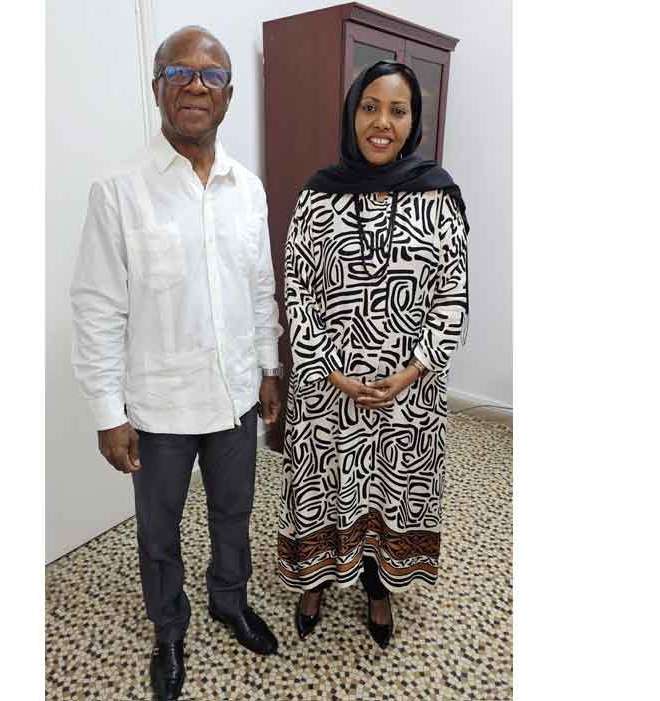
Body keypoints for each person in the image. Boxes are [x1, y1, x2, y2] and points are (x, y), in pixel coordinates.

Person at [71, 26, 284, 701]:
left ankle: (230, 599)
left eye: (211, 74)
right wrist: (108, 413)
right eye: (179, 71)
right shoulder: (119, 191)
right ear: (157, 85)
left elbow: (260, 287)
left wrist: (269, 367)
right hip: (159, 405)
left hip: (234, 395)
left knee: (234, 512)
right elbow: (97, 308)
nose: (196, 84)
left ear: (228, 94)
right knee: (159, 531)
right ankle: (168, 627)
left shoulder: (248, 189)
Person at [276, 60, 470, 649]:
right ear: (352, 114)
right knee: (324, 486)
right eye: (370, 107)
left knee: (390, 490)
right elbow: (298, 289)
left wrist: (411, 371)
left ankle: (378, 586)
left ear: (413, 122)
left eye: (397, 111)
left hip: (407, 398)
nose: (382, 122)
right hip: (327, 393)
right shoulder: (317, 195)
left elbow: (452, 295)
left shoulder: (438, 195)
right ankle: (314, 579)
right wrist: (330, 371)